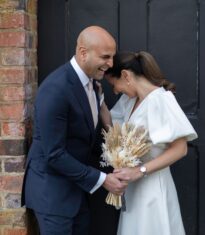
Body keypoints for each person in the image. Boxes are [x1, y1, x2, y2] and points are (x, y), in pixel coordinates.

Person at [21, 26, 128, 235]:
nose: (111, 64)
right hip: (52, 194)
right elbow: (54, 154)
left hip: (78, 190)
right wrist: (103, 180)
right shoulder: (56, 89)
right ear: (83, 52)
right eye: (105, 57)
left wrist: (115, 161)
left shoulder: (94, 85)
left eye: (112, 57)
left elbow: (86, 137)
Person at [105, 51, 198, 235]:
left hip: (153, 187)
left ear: (126, 75)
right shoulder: (129, 101)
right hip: (133, 188)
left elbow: (180, 149)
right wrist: (96, 100)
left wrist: (139, 171)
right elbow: (113, 131)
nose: (114, 91)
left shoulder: (161, 100)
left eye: (113, 84)